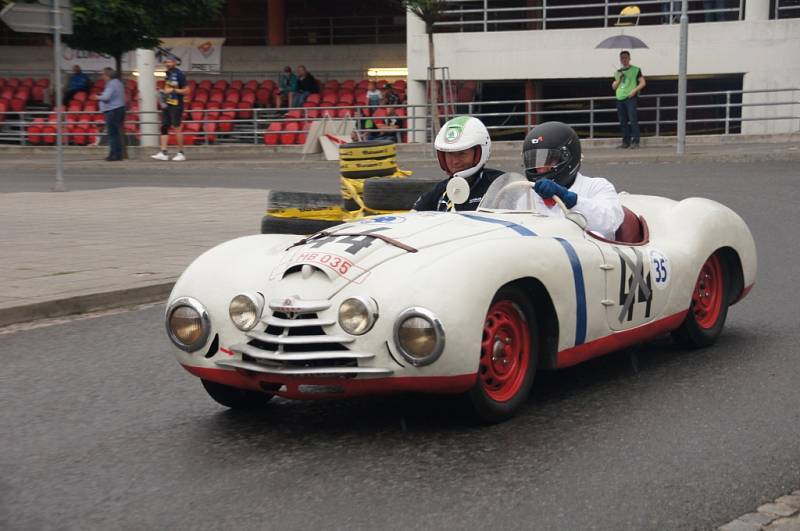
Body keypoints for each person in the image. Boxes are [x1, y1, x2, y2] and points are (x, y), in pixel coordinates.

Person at [521, 121, 624, 240]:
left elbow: (611, 222)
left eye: (549, 160)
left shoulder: (597, 186)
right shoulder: (526, 196)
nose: (540, 169)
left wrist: (571, 199)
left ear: (568, 157)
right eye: (534, 161)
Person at [413, 116, 502, 212]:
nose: (455, 161)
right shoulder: (440, 191)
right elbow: (413, 219)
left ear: (478, 153)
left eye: (462, 153)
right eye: (450, 154)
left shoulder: (500, 185)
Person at [152, 56, 189, 161]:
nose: (167, 64)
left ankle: (181, 153)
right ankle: (163, 152)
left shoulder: (179, 74)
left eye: (169, 62)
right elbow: (169, 89)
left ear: (174, 63)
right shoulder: (168, 74)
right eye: (166, 62)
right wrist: (163, 91)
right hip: (167, 104)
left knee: (177, 127)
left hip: (177, 105)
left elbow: (187, 90)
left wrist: (173, 90)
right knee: (164, 127)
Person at [612, 50, 646, 149]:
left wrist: (634, 91)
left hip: (630, 97)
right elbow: (614, 86)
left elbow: (643, 82)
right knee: (623, 121)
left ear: (629, 58)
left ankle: (635, 141)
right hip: (620, 98)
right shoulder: (617, 72)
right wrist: (619, 79)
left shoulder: (636, 70)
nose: (624, 60)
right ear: (620, 59)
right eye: (622, 58)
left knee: (632, 119)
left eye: (626, 57)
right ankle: (625, 141)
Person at [91, 67, 125, 162]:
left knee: (112, 134)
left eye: (103, 75)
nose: (102, 77)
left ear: (108, 75)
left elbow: (106, 97)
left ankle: (113, 155)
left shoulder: (111, 84)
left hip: (112, 110)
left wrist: (97, 97)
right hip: (119, 109)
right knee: (116, 134)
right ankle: (118, 154)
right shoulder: (119, 83)